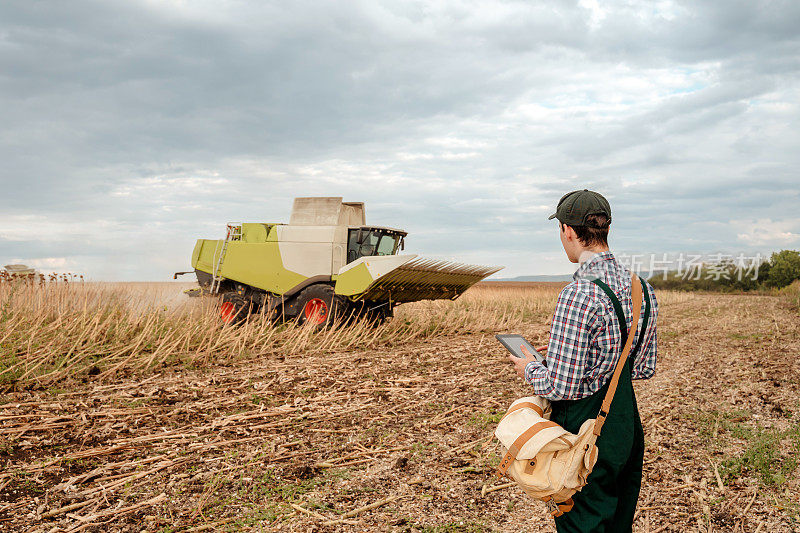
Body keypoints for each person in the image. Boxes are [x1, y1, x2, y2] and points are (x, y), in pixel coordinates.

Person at [507, 189, 658, 532]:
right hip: (624, 426)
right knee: (618, 524)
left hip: (585, 430)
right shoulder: (641, 287)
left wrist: (530, 367)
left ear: (569, 231)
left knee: (582, 524)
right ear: (605, 229)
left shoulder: (578, 293)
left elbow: (561, 386)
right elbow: (644, 366)